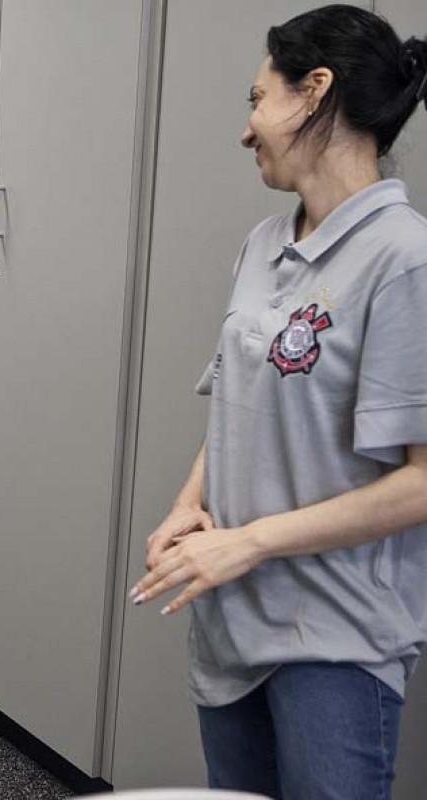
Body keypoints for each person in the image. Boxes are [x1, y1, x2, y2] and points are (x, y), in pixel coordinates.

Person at [130, 6, 427, 798]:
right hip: (228, 617)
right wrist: (186, 507)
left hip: (334, 637)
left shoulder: (405, 260)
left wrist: (251, 540)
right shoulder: (265, 244)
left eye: (257, 99)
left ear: (314, 92)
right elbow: (239, 400)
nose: (246, 128)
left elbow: (423, 481)